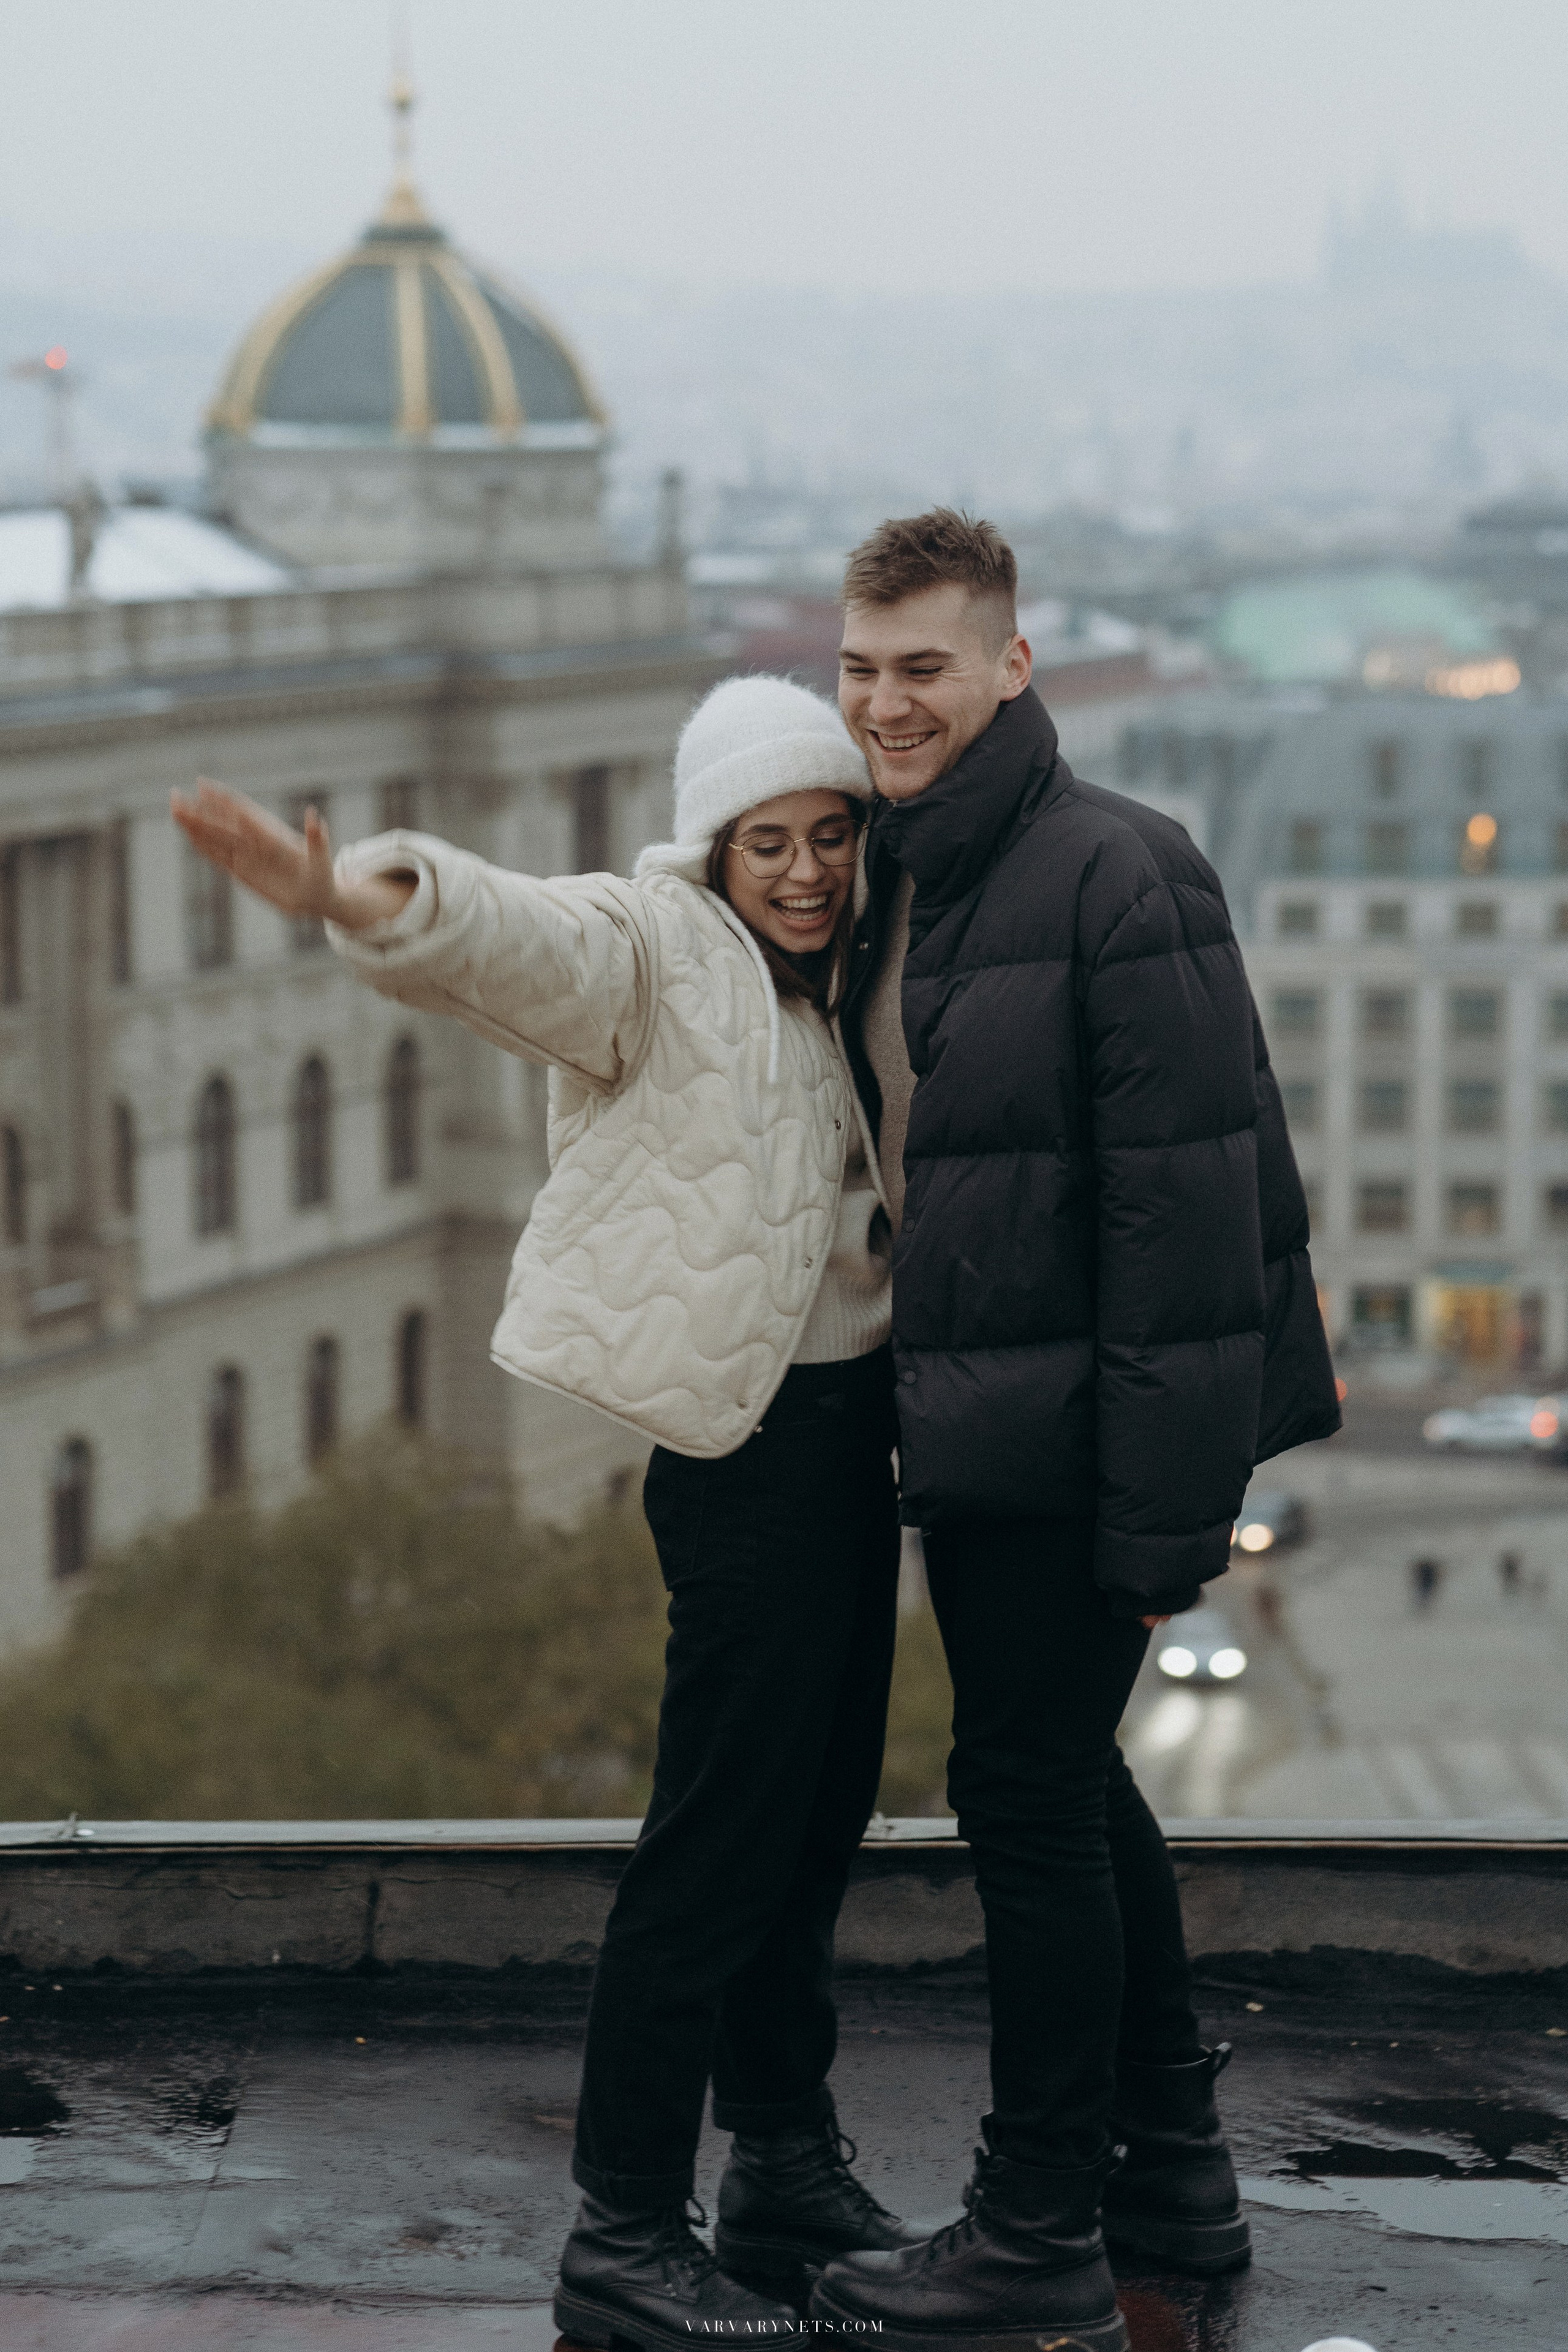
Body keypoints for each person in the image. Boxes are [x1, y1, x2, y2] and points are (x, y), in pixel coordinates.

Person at [171, 673, 929, 2352]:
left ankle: (787, 2171)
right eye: (767, 842)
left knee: (812, 1833)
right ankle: (626, 2231)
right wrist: (346, 895)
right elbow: (511, 936)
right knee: (713, 1852)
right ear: (710, 848)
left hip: (848, 1444)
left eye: (827, 838)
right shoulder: (658, 953)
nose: (803, 870)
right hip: (741, 1462)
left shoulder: (852, 986)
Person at [807, 511, 1341, 2352]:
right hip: (981, 1434)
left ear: (1010, 667)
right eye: (863, 669)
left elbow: (1185, 1237)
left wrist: (1150, 1536)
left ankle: (1035, 2219)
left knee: (1025, 1799)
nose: (888, 702)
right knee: (1069, 1791)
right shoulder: (915, 873)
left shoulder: (1119, 873)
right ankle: (1170, 2169)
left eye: (926, 668)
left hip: (1067, 1463)